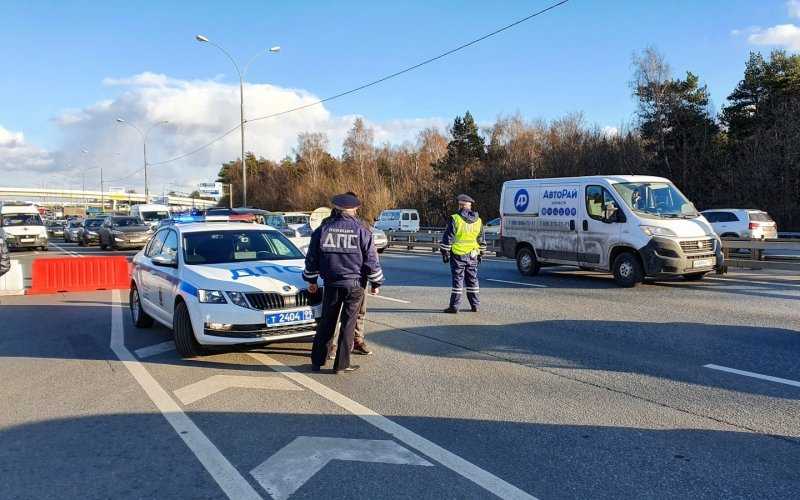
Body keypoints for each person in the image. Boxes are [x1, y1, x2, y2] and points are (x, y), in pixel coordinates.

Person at [303, 192, 383, 373]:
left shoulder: (323, 229)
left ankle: (317, 361)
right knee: (348, 325)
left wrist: (311, 280)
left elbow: (312, 258)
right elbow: (371, 260)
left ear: (335, 208)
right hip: (355, 285)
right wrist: (376, 283)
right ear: (354, 209)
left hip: (331, 283)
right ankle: (341, 365)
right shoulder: (362, 229)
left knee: (327, 322)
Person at [440, 194, 486, 313]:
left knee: (458, 281)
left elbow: (448, 237)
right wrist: (481, 253)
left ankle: (454, 306)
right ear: (470, 206)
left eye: (459, 205)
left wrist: (445, 252)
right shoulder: (478, 220)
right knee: (472, 280)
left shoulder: (455, 218)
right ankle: (475, 305)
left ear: (461, 206)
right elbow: (481, 239)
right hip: (473, 254)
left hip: (458, 254)